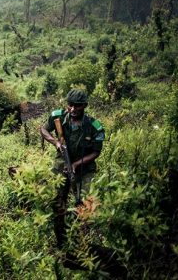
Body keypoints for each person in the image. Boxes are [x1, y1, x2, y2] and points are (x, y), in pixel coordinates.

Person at [40, 89, 105, 245]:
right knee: (57, 202)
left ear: (85, 106)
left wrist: (76, 164)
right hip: (61, 165)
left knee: (84, 206)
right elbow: (43, 129)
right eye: (70, 105)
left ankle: (83, 242)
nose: (73, 109)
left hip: (84, 169)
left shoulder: (94, 126)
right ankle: (60, 241)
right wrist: (55, 142)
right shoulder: (58, 116)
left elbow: (96, 151)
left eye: (78, 106)